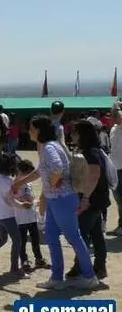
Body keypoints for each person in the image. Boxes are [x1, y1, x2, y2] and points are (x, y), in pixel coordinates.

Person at [11, 115, 99, 290]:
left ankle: (89, 277)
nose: (29, 132)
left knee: (73, 237)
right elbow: (40, 171)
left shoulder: (49, 147)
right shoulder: (49, 146)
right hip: (56, 199)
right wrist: (19, 183)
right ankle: (57, 278)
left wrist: (54, 182)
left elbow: (57, 168)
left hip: (62, 199)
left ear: (39, 131)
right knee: (51, 236)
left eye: (31, 129)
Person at [65, 120, 109, 280]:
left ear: (82, 134)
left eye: (75, 132)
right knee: (96, 234)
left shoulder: (91, 152)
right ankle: (99, 267)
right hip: (95, 199)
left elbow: (94, 175)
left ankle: (81, 266)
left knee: (81, 234)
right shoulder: (90, 150)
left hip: (91, 200)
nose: (72, 135)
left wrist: (85, 199)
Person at [13, 160, 48, 272]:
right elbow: (11, 200)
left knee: (35, 239)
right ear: (19, 172)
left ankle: (39, 258)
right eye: (27, 174)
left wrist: (36, 202)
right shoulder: (14, 185)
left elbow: (31, 197)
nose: (29, 177)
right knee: (22, 241)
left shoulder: (28, 184)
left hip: (32, 217)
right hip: (20, 218)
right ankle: (24, 260)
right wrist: (22, 200)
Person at [109, 103, 122, 236]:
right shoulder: (113, 129)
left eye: (115, 114)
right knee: (118, 200)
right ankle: (121, 225)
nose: (112, 116)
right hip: (115, 168)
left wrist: (118, 108)